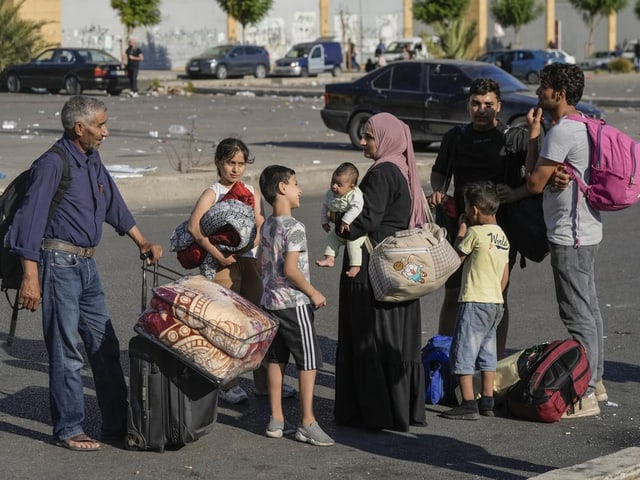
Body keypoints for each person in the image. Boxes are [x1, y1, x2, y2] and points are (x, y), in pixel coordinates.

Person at [7, 95, 163, 451]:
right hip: (57, 264)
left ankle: (118, 424)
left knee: (104, 345)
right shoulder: (51, 164)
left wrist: (140, 239)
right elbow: (27, 222)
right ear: (80, 128)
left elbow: (112, 201)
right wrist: (30, 277)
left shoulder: (91, 158)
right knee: (66, 350)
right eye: (100, 125)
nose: (105, 132)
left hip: (87, 265)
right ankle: (69, 427)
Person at [428, 78, 535, 360]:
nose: (482, 109)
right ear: (469, 105)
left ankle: (492, 364)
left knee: (496, 297)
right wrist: (439, 191)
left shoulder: (513, 138)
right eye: (476, 103)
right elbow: (439, 173)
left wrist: (513, 193)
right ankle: (446, 360)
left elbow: (535, 181)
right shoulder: (455, 137)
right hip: (459, 226)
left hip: (500, 231)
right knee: (452, 295)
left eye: (488, 104)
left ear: (498, 106)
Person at [334, 112, 427, 432]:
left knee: (367, 340)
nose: (363, 141)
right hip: (397, 271)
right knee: (394, 341)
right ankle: (399, 409)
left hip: (370, 272)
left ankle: (375, 412)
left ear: (386, 139)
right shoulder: (402, 168)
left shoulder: (381, 173)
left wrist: (336, 220)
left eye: (369, 136)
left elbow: (362, 222)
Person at [186, 138, 295, 404]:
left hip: (250, 262)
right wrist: (219, 256)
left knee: (258, 322)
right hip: (224, 264)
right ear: (218, 163)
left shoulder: (249, 190)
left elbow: (259, 222)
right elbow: (194, 228)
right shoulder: (213, 192)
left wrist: (258, 245)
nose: (235, 169)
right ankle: (227, 384)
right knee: (228, 324)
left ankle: (264, 383)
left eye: (240, 163)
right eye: (230, 163)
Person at [526, 63, 605, 418]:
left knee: (576, 314)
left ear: (558, 93)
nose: (539, 91)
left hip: (569, 234)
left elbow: (532, 183)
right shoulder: (583, 124)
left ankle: (585, 391)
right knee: (589, 309)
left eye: (544, 86)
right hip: (587, 231)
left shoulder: (562, 132)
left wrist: (534, 139)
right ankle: (597, 382)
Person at [258, 165, 334, 446]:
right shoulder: (295, 227)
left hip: (270, 302)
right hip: (294, 303)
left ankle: (276, 419)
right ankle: (307, 422)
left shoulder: (266, 225)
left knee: (276, 360)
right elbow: (291, 269)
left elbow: (260, 264)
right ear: (282, 188)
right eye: (295, 184)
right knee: (309, 361)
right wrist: (313, 292)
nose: (299, 189)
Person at [441, 181, 510, 420]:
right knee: (488, 352)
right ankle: (488, 400)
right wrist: (497, 295)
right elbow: (505, 274)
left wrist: (460, 231)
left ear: (474, 211)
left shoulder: (474, 233)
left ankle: (469, 403)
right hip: (495, 303)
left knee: (463, 351)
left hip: (473, 301)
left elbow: (455, 260)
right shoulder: (502, 236)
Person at [315, 162, 366, 277]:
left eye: (339, 184)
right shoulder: (330, 195)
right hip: (340, 229)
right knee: (332, 239)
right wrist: (324, 221)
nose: (334, 186)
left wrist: (346, 220)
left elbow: (357, 207)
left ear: (351, 186)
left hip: (355, 231)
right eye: (333, 182)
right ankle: (329, 259)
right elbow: (325, 206)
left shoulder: (354, 195)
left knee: (353, 245)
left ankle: (355, 266)